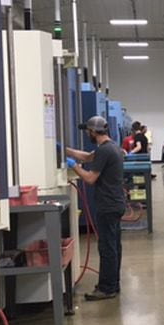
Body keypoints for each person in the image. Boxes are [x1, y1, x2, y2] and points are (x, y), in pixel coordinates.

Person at [65, 116, 126, 301]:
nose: (86, 134)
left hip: (108, 205)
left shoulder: (105, 151)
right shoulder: (110, 147)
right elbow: (87, 157)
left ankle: (107, 288)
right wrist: (63, 150)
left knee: (107, 248)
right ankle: (113, 284)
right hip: (116, 203)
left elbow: (90, 179)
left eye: (87, 131)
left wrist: (74, 167)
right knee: (114, 246)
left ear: (92, 131)